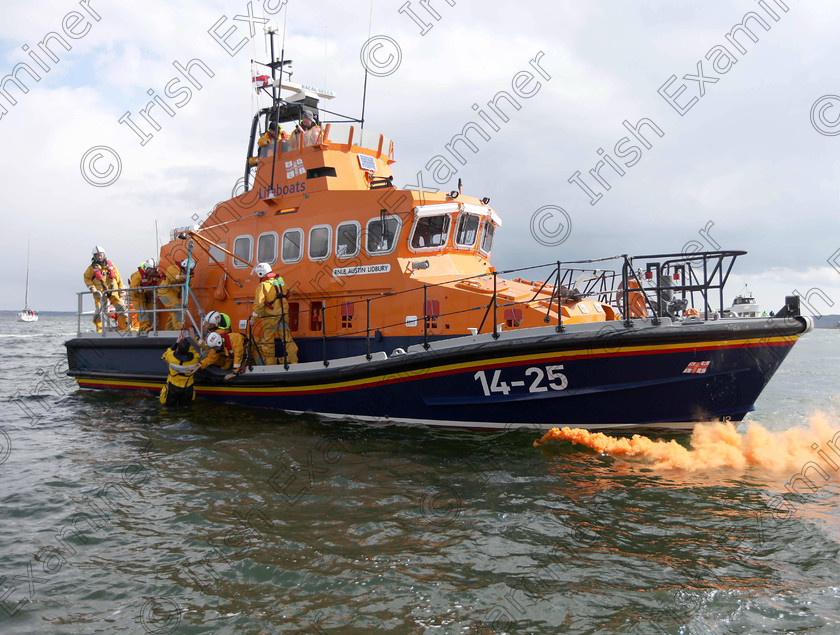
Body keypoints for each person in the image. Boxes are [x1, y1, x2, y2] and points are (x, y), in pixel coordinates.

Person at [251, 262, 298, 365]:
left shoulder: (263, 285)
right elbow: (290, 290)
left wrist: (253, 319)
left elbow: (259, 304)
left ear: (260, 273)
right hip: (283, 314)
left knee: (268, 342)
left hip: (270, 317)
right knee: (287, 339)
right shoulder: (280, 281)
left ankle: (270, 365)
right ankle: (294, 361)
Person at [83, 245, 127, 332]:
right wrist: (92, 288)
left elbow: (118, 277)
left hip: (113, 292)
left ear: (104, 254)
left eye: (101, 254)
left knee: (122, 308)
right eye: (97, 255)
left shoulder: (111, 265)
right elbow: (87, 278)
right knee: (99, 312)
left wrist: (121, 290)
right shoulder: (91, 268)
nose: (100, 256)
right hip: (99, 294)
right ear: (94, 256)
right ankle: (99, 330)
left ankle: (125, 328)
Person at [158, 258, 196, 331]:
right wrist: (183, 277)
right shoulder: (173, 268)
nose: (190, 271)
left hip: (172, 295)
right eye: (190, 269)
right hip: (165, 293)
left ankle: (169, 330)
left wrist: (188, 280)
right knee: (177, 309)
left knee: (175, 312)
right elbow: (172, 278)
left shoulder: (185, 274)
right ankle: (179, 330)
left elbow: (190, 285)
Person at [159, 337, 200, 406]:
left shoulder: (170, 356)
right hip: (187, 387)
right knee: (186, 407)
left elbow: (164, 355)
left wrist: (176, 343)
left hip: (173, 387)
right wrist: (186, 342)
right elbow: (193, 351)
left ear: (177, 348)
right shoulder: (195, 358)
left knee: (170, 407)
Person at [128, 258, 161, 332]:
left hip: (147, 297)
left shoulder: (154, 276)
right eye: (152, 269)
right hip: (137, 297)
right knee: (142, 312)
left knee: (152, 312)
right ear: (148, 268)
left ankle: (151, 327)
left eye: (154, 269)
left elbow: (159, 285)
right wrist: (147, 289)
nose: (153, 271)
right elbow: (133, 287)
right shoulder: (137, 275)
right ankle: (144, 328)